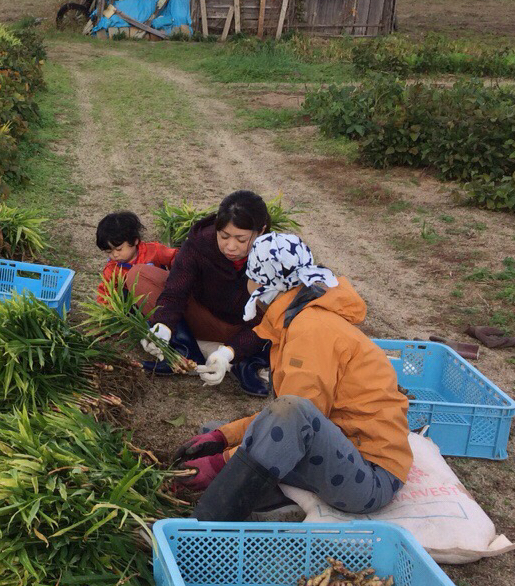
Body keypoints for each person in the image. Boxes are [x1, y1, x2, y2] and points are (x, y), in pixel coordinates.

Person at [173, 233, 413, 522]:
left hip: (368, 477)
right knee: (218, 431)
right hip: (345, 450)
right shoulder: (299, 319)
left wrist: (221, 462)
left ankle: (205, 528)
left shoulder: (310, 330)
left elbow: (295, 419)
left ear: (262, 283)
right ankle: (273, 502)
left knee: (277, 424)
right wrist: (222, 436)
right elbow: (285, 419)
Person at [142, 190, 273, 395]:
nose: (230, 246)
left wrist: (229, 352)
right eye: (224, 236)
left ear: (261, 231)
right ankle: (186, 351)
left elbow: (271, 321)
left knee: (288, 325)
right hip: (204, 316)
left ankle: (239, 358)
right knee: (140, 276)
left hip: (247, 328)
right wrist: (163, 324)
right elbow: (176, 290)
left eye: (241, 239)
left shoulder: (274, 257)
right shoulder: (200, 243)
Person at [94, 211, 177, 306]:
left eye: (119, 249)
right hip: (136, 307)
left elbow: (177, 259)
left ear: (135, 240)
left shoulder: (154, 250)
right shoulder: (112, 269)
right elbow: (105, 292)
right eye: (109, 252)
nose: (115, 255)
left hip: (164, 295)